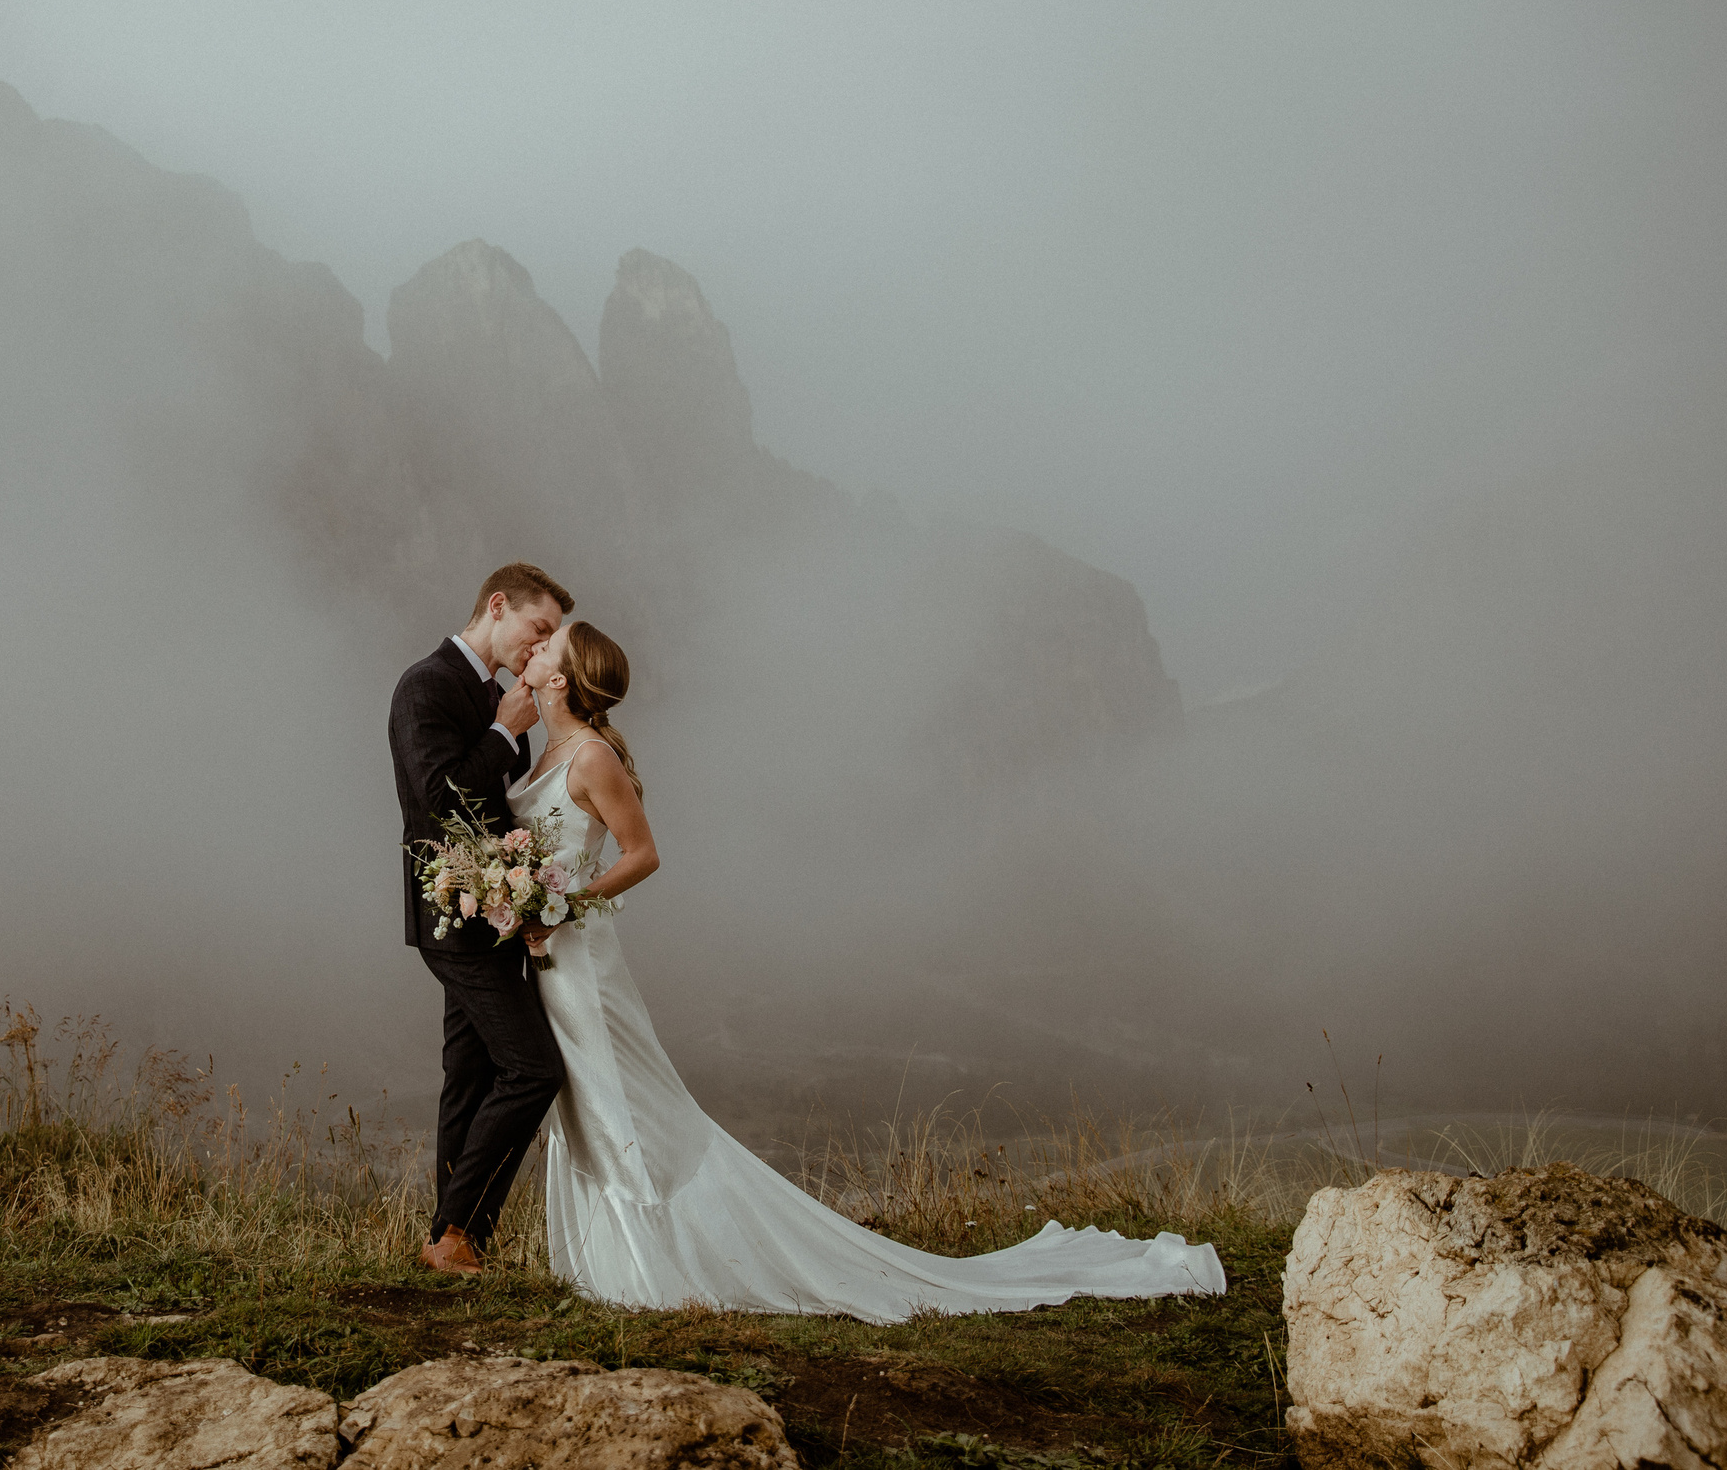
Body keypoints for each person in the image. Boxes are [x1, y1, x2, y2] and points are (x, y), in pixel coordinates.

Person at [506, 620, 1228, 1318]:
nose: (535, 649)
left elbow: (642, 854)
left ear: (562, 680)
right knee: (584, 1101)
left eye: (549, 647)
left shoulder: (592, 757)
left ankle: (655, 1262)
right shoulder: (541, 748)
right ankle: (605, 1258)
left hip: (581, 962)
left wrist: (561, 906)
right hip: (547, 954)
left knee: (619, 1100)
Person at [386, 561, 575, 1276]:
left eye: (551, 635)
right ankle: (459, 1226)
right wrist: (502, 731)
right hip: (448, 915)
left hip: (492, 916)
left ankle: (455, 1238)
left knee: (468, 1074)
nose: (542, 645)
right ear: (498, 605)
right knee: (533, 1068)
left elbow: (497, 813)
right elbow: (435, 801)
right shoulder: (425, 684)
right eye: (539, 627)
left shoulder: (496, 696)